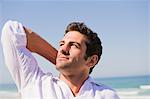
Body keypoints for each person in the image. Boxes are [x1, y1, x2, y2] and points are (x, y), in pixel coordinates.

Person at [1, 20, 120, 99]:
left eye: (74, 45)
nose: (63, 49)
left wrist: (66, 60)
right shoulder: (34, 82)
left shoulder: (106, 95)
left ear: (92, 60)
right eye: (62, 44)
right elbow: (11, 31)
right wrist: (60, 59)